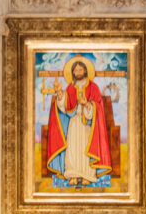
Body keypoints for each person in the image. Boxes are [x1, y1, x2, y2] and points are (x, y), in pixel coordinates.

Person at [44, 57, 112, 187]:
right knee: (73, 150)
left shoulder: (94, 87)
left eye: (81, 69)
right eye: (76, 70)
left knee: (86, 150)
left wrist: (86, 103)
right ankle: (73, 175)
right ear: (73, 73)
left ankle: (87, 176)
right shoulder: (70, 87)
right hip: (74, 123)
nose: (78, 72)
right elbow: (64, 107)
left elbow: (98, 107)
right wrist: (59, 92)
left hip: (88, 126)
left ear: (85, 71)